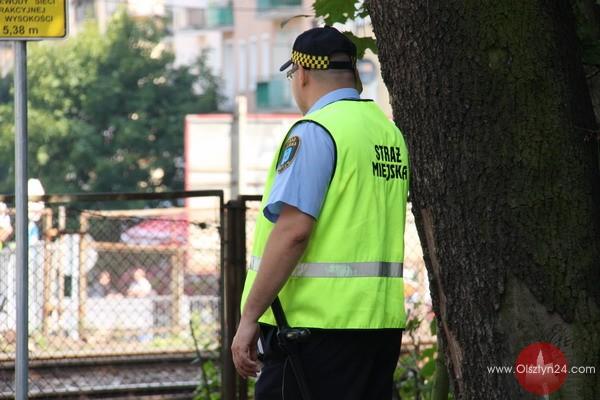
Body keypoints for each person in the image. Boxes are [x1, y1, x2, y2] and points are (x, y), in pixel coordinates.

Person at [231, 26, 410, 400]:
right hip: (378, 328)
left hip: (314, 330)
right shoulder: (387, 133)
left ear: (302, 74)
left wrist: (249, 317)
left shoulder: (315, 131)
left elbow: (293, 232)